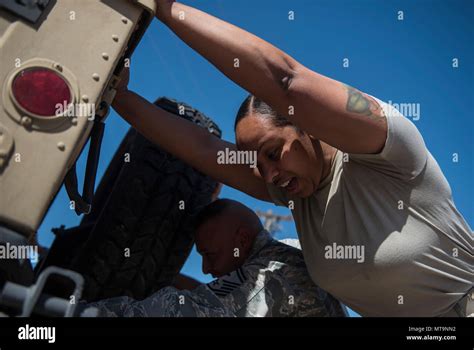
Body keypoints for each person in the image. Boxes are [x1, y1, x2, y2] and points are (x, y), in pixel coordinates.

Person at [110, 1, 473, 316]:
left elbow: (287, 80)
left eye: (272, 153)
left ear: (306, 125)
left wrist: (164, 8)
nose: (268, 175)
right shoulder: (294, 192)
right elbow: (203, 150)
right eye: (258, 164)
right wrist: (121, 98)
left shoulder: (386, 152)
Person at [88, 199, 345, 317]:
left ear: (242, 240)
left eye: (210, 255)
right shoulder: (286, 253)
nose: (206, 267)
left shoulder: (272, 273)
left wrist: (80, 312)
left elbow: (186, 311)